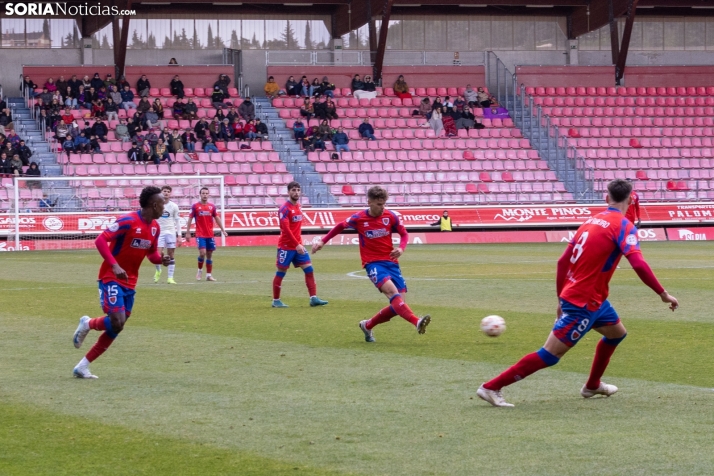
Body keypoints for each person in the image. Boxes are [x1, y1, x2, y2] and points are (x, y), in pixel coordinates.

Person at [476, 179, 679, 407]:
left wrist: (560, 298)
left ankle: (592, 386)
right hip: (584, 300)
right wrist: (662, 293)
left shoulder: (591, 221)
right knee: (550, 355)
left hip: (591, 297)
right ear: (631, 199)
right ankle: (491, 387)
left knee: (616, 334)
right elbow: (639, 264)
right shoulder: (622, 225)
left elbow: (563, 261)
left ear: (606, 198)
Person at [70, 186, 171, 379]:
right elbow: (100, 240)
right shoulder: (128, 221)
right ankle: (87, 324)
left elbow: (151, 253)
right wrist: (115, 266)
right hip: (111, 276)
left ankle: (83, 364)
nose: (164, 208)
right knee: (116, 320)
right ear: (154, 204)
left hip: (130, 282)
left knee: (118, 326)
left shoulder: (155, 228)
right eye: (163, 204)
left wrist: (161, 260)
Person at [312, 186, 431, 342]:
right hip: (373, 263)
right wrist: (322, 241)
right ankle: (416, 322)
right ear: (369, 202)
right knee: (393, 294)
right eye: (378, 204)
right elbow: (340, 226)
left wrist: (401, 249)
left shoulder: (390, 216)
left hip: (392, 262)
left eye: (383, 204)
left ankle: (367, 325)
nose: (382, 208)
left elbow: (404, 233)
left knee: (398, 306)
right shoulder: (359, 218)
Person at [272, 182, 329, 308]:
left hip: (298, 246)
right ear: (288, 192)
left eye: (298, 190)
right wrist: (297, 244)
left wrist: (298, 244)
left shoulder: (298, 206)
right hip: (286, 247)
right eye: (293, 190)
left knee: (309, 269)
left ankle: (313, 298)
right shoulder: (284, 209)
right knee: (281, 271)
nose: (296, 192)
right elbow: (285, 230)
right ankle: (276, 301)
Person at [185, 187, 228, 282]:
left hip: (210, 234)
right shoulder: (195, 206)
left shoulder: (212, 207)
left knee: (209, 254)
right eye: (203, 193)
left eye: (206, 193)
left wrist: (223, 230)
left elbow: (217, 218)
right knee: (202, 253)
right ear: (200, 195)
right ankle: (200, 270)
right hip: (200, 234)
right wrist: (187, 232)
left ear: (208, 195)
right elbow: (190, 219)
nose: (204, 195)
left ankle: (208, 275)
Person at [154, 185, 181, 284]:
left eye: (168, 191)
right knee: (157, 254)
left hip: (170, 232)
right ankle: (158, 270)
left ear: (170, 193)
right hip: (159, 232)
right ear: (161, 192)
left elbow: (177, 221)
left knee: (171, 254)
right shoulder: (156, 205)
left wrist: (179, 235)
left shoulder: (174, 206)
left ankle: (170, 278)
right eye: (164, 191)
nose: (166, 193)